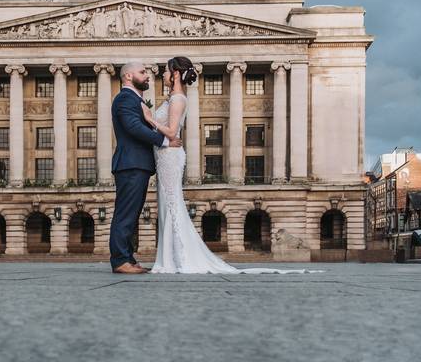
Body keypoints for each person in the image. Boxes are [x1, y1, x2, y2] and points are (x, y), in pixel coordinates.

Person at [142, 56, 312, 275]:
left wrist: (149, 119)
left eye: (166, 71)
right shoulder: (173, 98)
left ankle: (176, 258)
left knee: (172, 206)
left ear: (175, 73)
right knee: (168, 206)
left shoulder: (177, 99)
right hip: (165, 156)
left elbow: (172, 132)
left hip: (170, 157)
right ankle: (170, 258)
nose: (162, 75)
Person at [108, 61, 181, 274]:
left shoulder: (133, 99)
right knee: (125, 214)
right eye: (142, 72)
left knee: (132, 213)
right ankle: (120, 260)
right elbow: (132, 127)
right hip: (130, 163)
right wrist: (165, 141)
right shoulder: (124, 98)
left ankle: (127, 258)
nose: (147, 75)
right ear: (128, 76)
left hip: (136, 164)